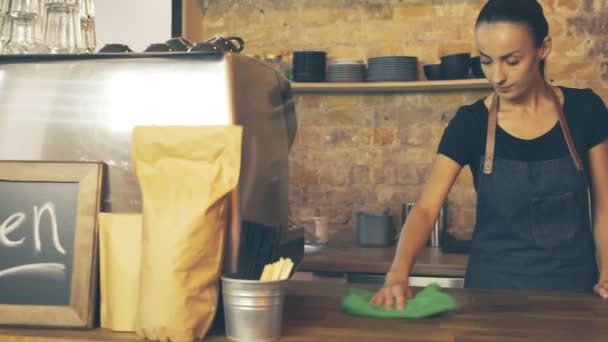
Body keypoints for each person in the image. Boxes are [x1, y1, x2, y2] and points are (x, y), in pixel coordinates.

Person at [371, 0, 608, 310]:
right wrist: (398, 272)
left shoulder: (585, 110)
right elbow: (427, 209)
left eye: (511, 61)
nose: (497, 77)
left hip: (573, 295)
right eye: (485, 61)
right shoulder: (470, 123)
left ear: (544, 48)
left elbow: (604, 208)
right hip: (490, 297)